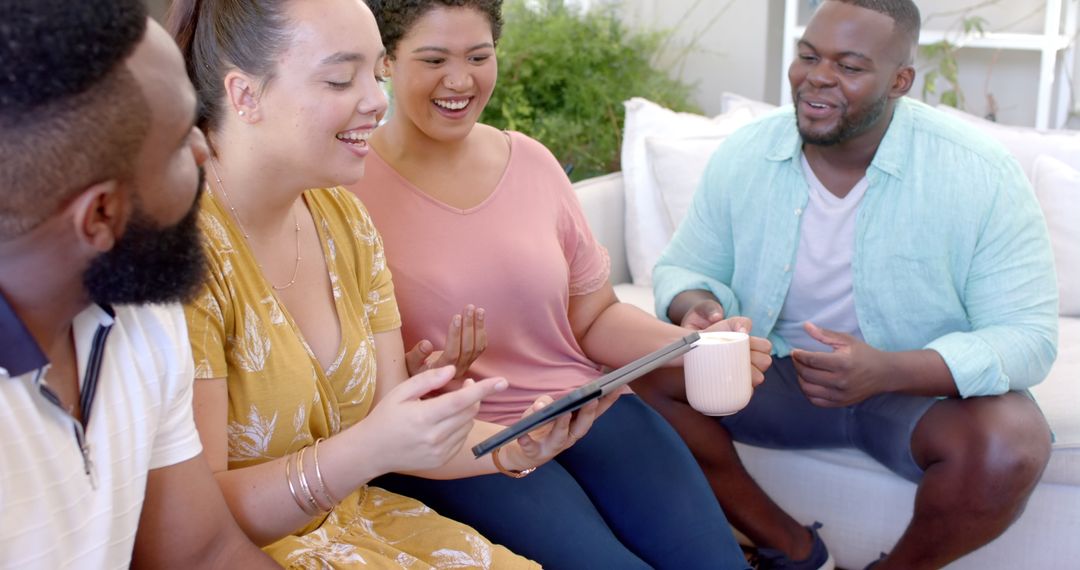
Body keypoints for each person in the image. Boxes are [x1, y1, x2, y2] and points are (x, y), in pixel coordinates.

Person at [169, 0, 601, 567]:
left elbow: (397, 425)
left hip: (364, 526)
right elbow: (190, 528)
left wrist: (513, 444)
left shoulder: (345, 222)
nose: (378, 101)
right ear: (245, 95)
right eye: (341, 79)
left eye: (375, 74)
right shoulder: (180, 258)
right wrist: (369, 448)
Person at [348, 1, 771, 568]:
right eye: (433, 59)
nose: (460, 80)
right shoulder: (346, 190)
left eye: (479, 56)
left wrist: (690, 346)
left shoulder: (532, 162)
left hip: (589, 407)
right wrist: (418, 372)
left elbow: (592, 317)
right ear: (385, 62)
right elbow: (345, 372)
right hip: (466, 444)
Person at [642, 1, 1058, 569]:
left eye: (850, 66)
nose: (818, 76)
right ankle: (792, 548)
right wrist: (699, 305)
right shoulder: (745, 155)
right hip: (779, 375)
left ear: (900, 81)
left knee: (1013, 441)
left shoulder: (978, 172)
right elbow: (686, 267)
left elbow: (1028, 336)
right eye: (808, 56)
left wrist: (889, 370)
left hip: (914, 390)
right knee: (637, 373)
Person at [0, 1, 278, 568]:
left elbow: (205, 553)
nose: (205, 149)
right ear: (100, 215)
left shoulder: (139, 317)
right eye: (181, 142)